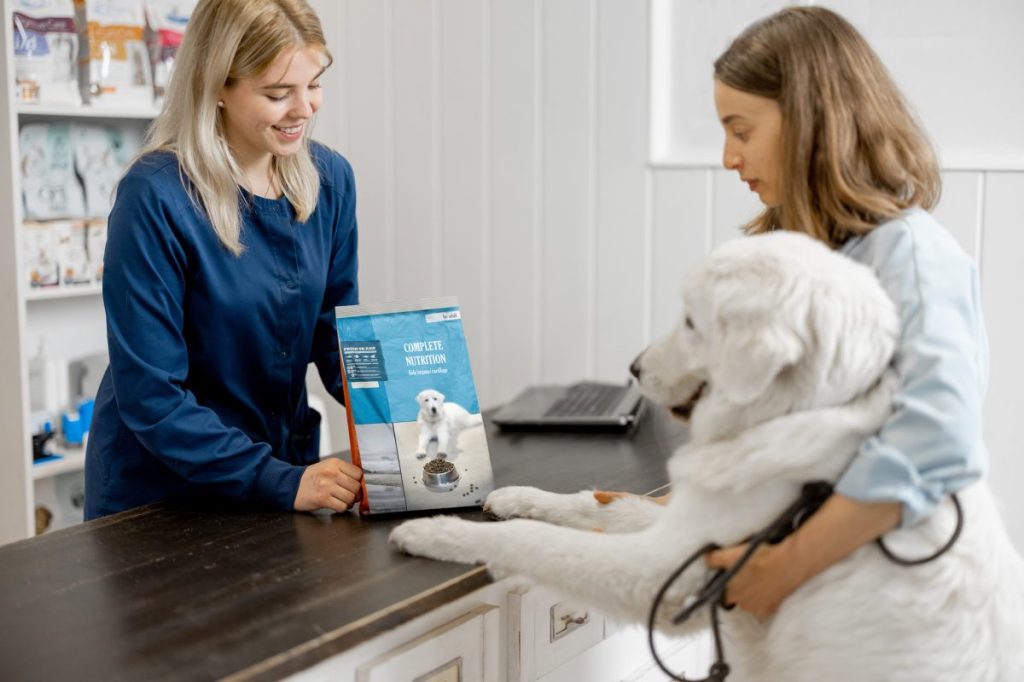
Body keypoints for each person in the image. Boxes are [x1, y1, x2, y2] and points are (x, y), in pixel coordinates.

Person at [603, 6, 987, 618]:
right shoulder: (805, 257)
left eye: (742, 130)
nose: (730, 157)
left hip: (884, 613)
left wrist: (786, 565)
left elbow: (937, 439)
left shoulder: (910, 255)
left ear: (812, 121)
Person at [84, 0, 364, 520]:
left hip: (283, 478)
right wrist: (278, 479)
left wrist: (414, 418)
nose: (304, 109)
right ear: (217, 88)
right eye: (279, 93)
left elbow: (336, 334)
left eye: (314, 84)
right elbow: (151, 395)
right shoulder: (156, 196)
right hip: (163, 497)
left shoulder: (330, 181)